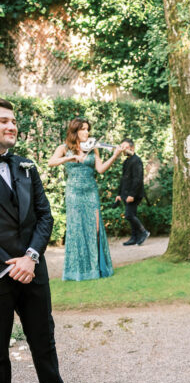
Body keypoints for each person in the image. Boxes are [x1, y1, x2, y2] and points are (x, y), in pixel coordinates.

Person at [0, 98, 98, 383]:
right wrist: (12, 263)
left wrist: (30, 256)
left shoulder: (26, 166)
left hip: (33, 269)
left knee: (44, 335)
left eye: (12, 121)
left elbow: (45, 216)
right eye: (2, 121)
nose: (11, 126)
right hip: (0, 274)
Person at [47, 118, 122, 281]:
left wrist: (115, 155)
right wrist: (68, 158)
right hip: (73, 192)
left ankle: (97, 268)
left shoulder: (93, 148)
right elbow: (51, 162)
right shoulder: (64, 148)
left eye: (88, 129)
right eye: (83, 129)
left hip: (90, 192)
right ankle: (78, 270)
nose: (87, 132)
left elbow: (100, 169)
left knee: (94, 228)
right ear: (75, 132)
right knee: (76, 229)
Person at [115, 139, 148, 246]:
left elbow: (137, 179)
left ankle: (144, 232)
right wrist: (119, 194)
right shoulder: (126, 162)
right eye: (121, 147)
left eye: (125, 147)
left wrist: (132, 195)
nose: (123, 149)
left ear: (132, 148)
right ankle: (134, 237)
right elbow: (123, 179)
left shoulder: (136, 160)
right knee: (132, 214)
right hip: (125, 193)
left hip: (134, 194)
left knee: (129, 215)